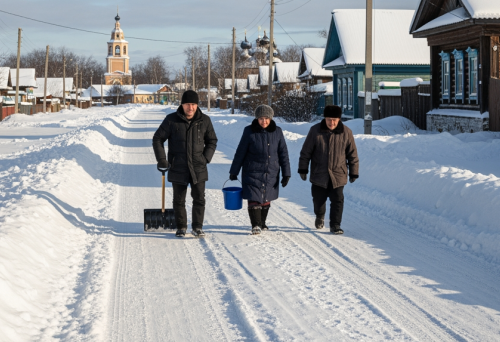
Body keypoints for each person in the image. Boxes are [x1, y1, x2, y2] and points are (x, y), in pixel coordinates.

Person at [153, 90, 218, 237]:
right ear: (182, 105)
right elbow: (157, 138)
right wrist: (162, 159)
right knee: (178, 199)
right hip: (178, 166)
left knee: (199, 198)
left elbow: (212, 141)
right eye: (188, 104)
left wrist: (206, 158)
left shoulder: (205, 120)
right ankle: (181, 227)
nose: (191, 108)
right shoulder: (171, 120)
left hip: (198, 166)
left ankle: (197, 227)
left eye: (194, 104)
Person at [229, 105, 291, 235]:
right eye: (261, 118)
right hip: (252, 171)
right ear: (257, 118)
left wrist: (286, 173)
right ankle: (255, 225)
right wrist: (234, 171)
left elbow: (283, 153)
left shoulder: (277, 132)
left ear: (271, 118)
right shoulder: (249, 131)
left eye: (267, 118)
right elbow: (240, 152)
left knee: (266, 198)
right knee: (254, 198)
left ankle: (262, 223)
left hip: (271, 172)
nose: (264, 121)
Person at [298, 105, 358, 234]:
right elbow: (305, 152)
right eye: (329, 119)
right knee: (318, 200)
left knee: (338, 200)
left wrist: (354, 171)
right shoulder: (315, 131)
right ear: (325, 119)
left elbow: (352, 154)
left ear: (339, 120)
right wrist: (303, 169)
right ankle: (320, 215)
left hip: (338, 174)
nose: (332, 123)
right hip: (319, 173)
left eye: (334, 120)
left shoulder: (346, 132)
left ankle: (335, 225)